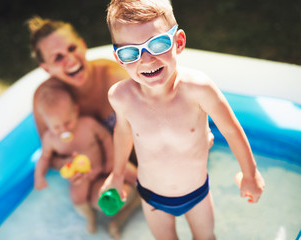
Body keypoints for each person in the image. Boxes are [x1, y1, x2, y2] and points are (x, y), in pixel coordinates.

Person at [100, 0, 265, 239]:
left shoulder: (199, 89)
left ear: (178, 42)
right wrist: (116, 176)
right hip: (151, 196)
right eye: (130, 52)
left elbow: (230, 130)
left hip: (196, 194)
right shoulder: (121, 97)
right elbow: (123, 133)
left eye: (157, 44)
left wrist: (250, 174)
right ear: (119, 58)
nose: (146, 60)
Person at [27, 16, 140, 239]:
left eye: (72, 48)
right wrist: (70, 168)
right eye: (58, 57)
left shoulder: (114, 77)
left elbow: (154, 124)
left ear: (83, 44)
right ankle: (121, 212)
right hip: (96, 169)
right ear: (46, 68)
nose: (70, 59)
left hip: (139, 160)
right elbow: (52, 152)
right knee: (99, 200)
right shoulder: (47, 102)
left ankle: (137, 200)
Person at [34, 85, 137, 234]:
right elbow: (45, 158)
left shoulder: (87, 124)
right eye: (56, 127)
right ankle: (90, 217)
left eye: (67, 122)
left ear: (75, 111)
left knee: (126, 169)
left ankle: (145, 188)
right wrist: (39, 177)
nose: (64, 130)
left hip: (104, 164)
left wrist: (109, 158)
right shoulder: (50, 139)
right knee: (77, 197)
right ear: (46, 123)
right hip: (82, 177)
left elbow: (106, 138)